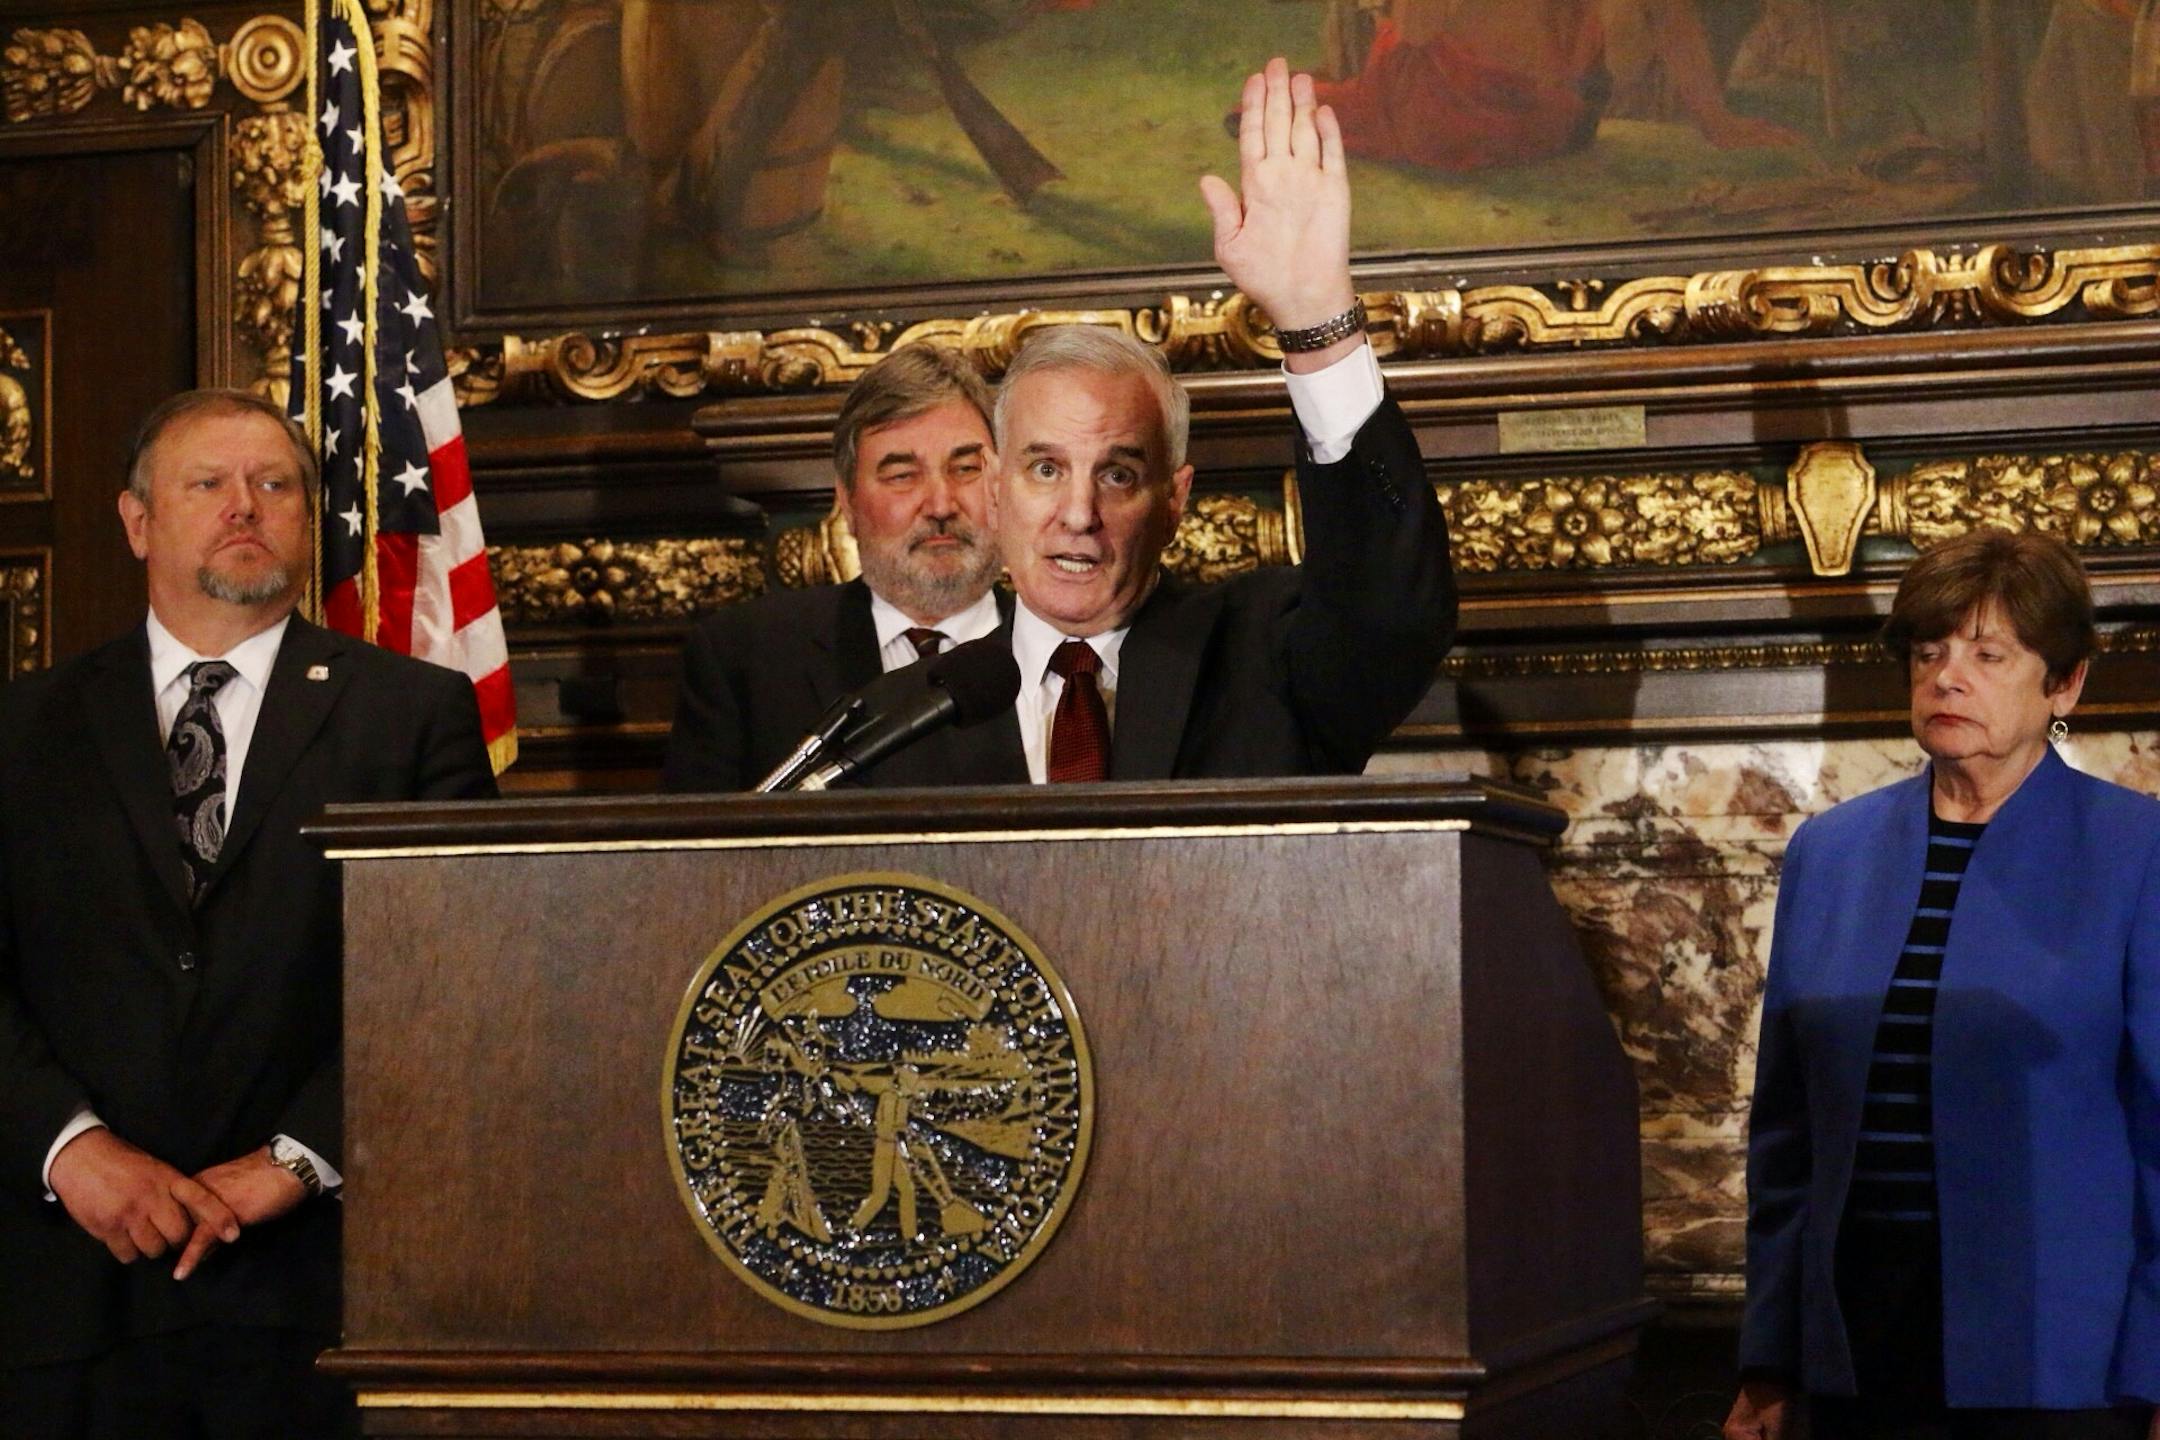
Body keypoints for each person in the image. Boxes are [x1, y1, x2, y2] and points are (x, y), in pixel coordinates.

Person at [0, 389, 498, 1439]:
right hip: (66, 1298)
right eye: (209, 484)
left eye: (274, 486)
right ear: (137, 521)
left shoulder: (412, 717)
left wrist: (294, 1161)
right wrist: (70, 1149)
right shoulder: (24, 729)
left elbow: (456, 981)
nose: (246, 506)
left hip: (312, 1291)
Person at [1724, 530, 2160, 1440]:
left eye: (1988, 654)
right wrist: (1770, 1357)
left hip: (2062, 1360)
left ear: (2066, 684)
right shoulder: (1829, 853)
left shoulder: (2137, 851)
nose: (1948, 677)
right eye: (1930, 653)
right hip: (1856, 1347)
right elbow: (1787, 1135)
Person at [975, 57, 1455, 783]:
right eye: (1047, 469)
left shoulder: (1264, 661)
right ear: (992, 492)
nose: (1080, 514)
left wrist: (1317, 318)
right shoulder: (912, 713)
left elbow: (1390, 614)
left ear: (1175, 501)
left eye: (1119, 473)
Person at [662, 343, 1015, 790]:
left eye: (966, 468)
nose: (941, 504)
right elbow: (697, 854)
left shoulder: (1064, 654)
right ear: (847, 504)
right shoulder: (746, 659)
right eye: (902, 475)